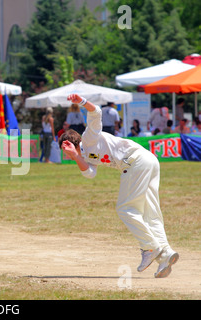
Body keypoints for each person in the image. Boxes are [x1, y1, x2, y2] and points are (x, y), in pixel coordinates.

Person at [58, 93, 178, 278]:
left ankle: (149, 248)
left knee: (125, 209)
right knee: (150, 213)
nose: (66, 155)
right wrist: (75, 157)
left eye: (66, 151)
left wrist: (81, 101)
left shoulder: (88, 138)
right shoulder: (84, 154)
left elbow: (96, 112)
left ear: (70, 144)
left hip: (136, 162)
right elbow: (89, 173)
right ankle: (165, 255)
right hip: (147, 160)